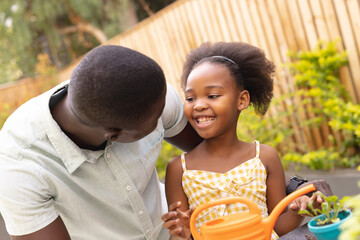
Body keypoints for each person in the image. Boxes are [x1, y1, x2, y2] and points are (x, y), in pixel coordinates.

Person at [0, 44, 330, 240]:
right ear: (118, 136)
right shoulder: (20, 169)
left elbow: (223, 159)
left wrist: (297, 190)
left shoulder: (143, 97)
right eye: (161, 118)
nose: (185, 110)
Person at [161, 42, 328, 240]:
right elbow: (183, 235)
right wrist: (184, 233)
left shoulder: (264, 157)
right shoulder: (179, 170)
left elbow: (276, 228)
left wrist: (296, 210)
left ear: (242, 100)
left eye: (212, 96)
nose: (198, 105)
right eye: (190, 98)